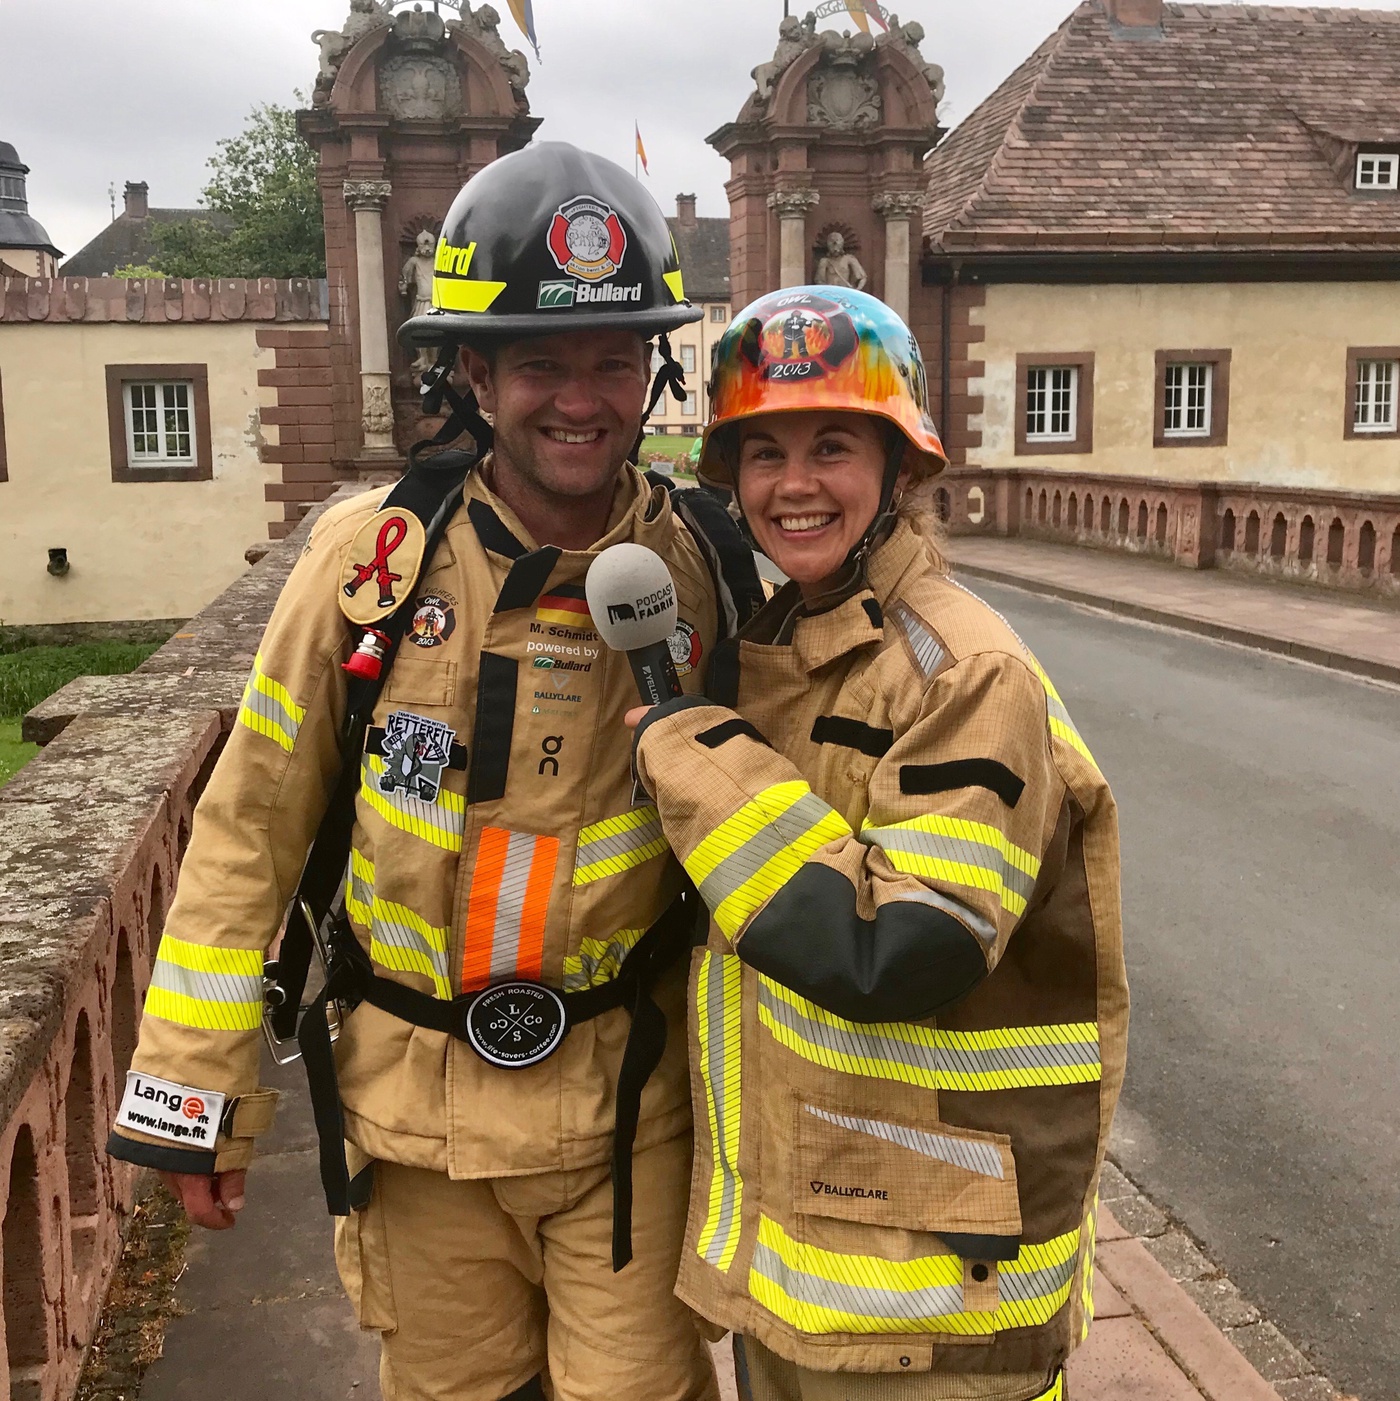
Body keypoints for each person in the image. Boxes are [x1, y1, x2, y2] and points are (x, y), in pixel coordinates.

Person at [106, 142, 761, 1401]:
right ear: (471, 371)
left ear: (653, 372)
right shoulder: (374, 567)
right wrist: (196, 1093)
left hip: (632, 1114)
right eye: (538, 362)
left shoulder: (704, 570)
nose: (580, 399)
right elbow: (248, 825)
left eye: (614, 359)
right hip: (416, 1126)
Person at [627, 286, 1129, 1401]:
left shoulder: (964, 669)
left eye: (832, 446)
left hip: (937, 1285)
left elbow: (897, 948)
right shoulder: (790, 638)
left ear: (900, 468)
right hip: (823, 1248)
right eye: (762, 453)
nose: (792, 484)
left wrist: (696, 757)